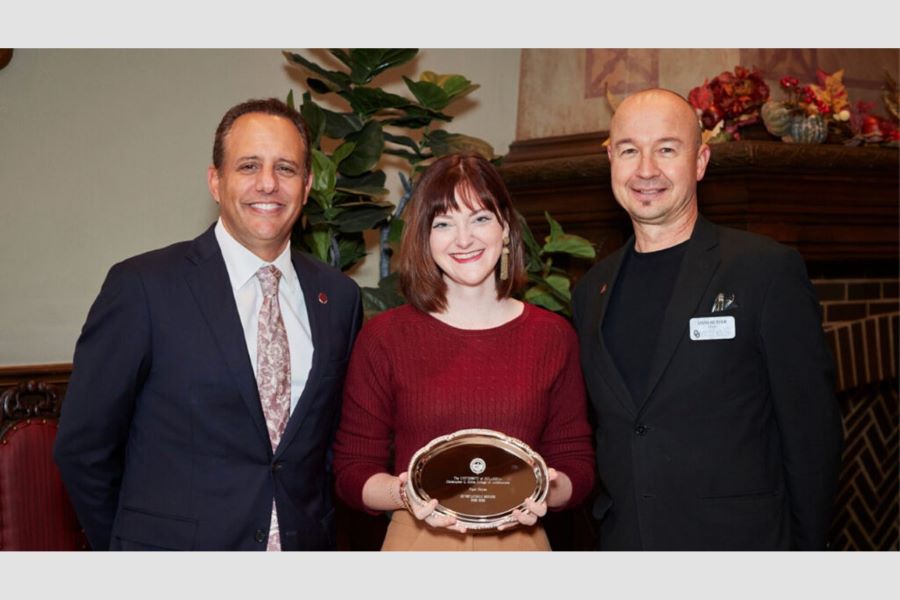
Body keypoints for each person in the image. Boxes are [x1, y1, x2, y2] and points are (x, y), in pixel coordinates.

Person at [54, 98, 362, 551]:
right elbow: (83, 449)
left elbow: (335, 445)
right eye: (248, 166)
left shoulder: (338, 297)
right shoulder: (143, 288)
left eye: (286, 168)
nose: (267, 184)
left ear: (308, 184)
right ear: (216, 181)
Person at [571, 88, 844, 550]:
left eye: (667, 149)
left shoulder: (764, 270)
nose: (646, 170)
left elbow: (812, 435)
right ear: (611, 161)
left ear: (700, 161)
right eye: (629, 150)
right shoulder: (589, 292)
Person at [331, 153, 595, 551]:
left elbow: (577, 463)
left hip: (521, 549)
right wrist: (405, 495)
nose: (464, 238)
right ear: (424, 237)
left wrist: (545, 491)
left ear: (505, 227)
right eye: (443, 223)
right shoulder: (384, 338)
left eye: (480, 218)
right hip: (416, 548)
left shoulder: (553, 336)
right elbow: (352, 471)